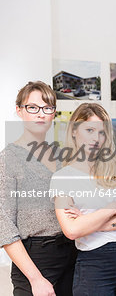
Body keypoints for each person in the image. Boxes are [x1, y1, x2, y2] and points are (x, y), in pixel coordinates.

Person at [50, 103, 116, 295]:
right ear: (74, 131)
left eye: (101, 132)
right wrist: (113, 208)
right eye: (90, 130)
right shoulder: (63, 177)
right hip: (94, 266)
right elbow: (72, 230)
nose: (96, 138)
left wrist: (90, 223)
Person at [0, 81, 77, 296]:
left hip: (72, 254)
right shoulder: (8, 159)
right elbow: (3, 224)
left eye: (47, 108)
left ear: (53, 113)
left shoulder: (61, 155)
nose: (40, 114)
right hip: (36, 260)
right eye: (32, 108)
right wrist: (36, 279)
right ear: (19, 111)